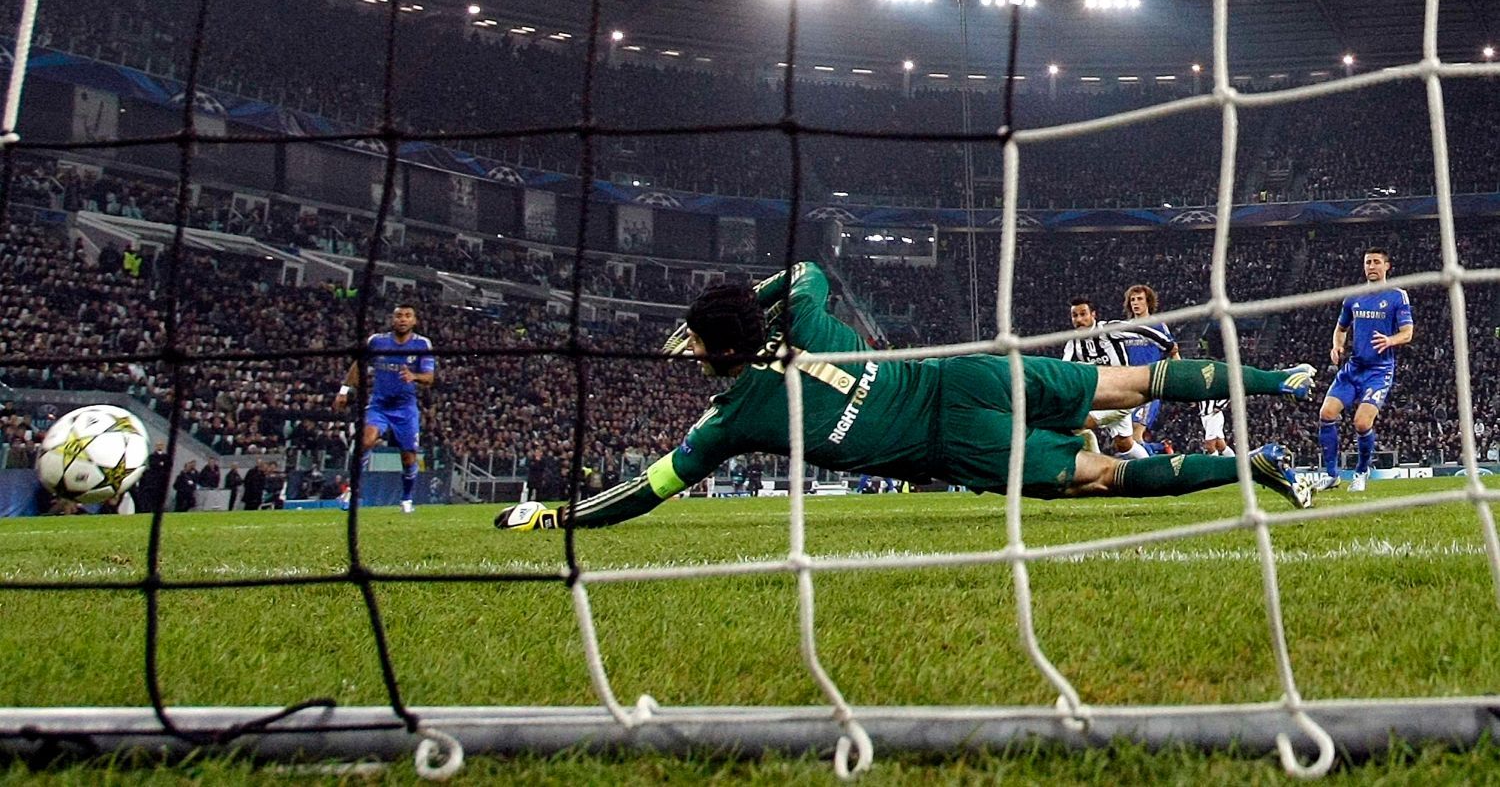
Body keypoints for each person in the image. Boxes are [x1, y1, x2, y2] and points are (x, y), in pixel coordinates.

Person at [497, 262, 1317, 531]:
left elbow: (651, 487)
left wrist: (559, 519)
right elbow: (808, 270)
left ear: (723, 349)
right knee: (1127, 382)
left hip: (952, 445)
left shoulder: (730, 418)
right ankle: (1277, 380)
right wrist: (756, 300)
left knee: (1102, 476)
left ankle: (1252, 465)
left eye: (702, 342)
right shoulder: (804, 311)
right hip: (962, 371)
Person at [1314, 248, 1414, 493]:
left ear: (1387, 266)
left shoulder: (1397, 296)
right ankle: (1331, 475)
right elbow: (1341, 328)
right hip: (1353, 368)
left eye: (1376, 262)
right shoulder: (1353, 297)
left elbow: (1407, 333)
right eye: (1368, 262)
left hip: (1379, 370)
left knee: (1361, 422)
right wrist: (1337, 346)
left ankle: (1361, 472)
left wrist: (1390, 340)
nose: (1371, 266)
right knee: (1326, 414)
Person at [333, 303, 435, 513]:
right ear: (392, 319)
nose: (403, 319)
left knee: (408, 458)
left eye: (407, 316)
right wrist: (344, 390)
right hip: (379, 406)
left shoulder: (422, 344)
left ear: (414, 321)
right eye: (399, 315)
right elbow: (358, 365)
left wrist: (414, 376)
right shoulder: (377, 341)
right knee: (365, 441)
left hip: (405, 409)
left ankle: (406, 499)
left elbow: (429, 378)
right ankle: (352, 490)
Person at [1062, 296, 1174, 458]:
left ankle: (1096, 467)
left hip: (1123, 395)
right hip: (1101, 398)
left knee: (1077, 423)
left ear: (1093, 314)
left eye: (1083, 314)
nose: (1079, 320)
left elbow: (1139, 330)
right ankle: (1152, 468)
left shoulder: (1108, 330)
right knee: (1125, 444)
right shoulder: (1073, 343)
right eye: (1075, 315)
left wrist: (1168, 345)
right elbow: (1064, 370)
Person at [1120, 284, 1180, 455]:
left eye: (1139, 299)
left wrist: (1182, 379)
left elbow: (1173, 351)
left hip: (1149, 386)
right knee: (1125, 440)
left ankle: (1154, 467)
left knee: (1136, 434)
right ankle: (1161, 450)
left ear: (1148, 302)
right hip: (1127, 387)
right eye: (1132, 300)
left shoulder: (1157, 326)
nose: (1135, 303)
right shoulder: (1124, 328)